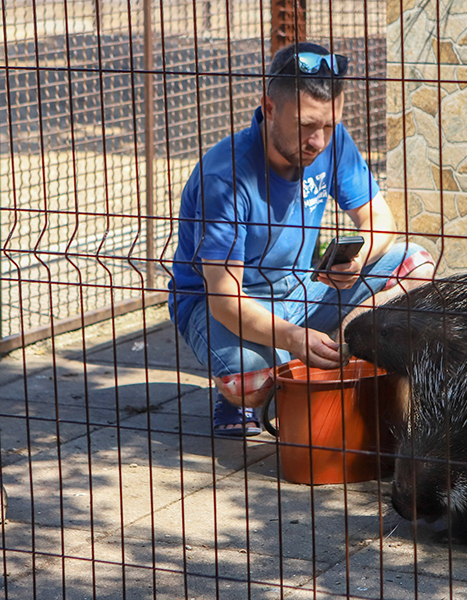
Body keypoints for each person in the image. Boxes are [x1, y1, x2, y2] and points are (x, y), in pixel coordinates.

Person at [167, 42, 435, 437]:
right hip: (221, 304)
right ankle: (260, 376)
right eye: (307, 126)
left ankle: (336, 349)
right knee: (253, 382)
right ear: (269, 108)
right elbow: (225, 298)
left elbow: (379, 219)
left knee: (416, 263)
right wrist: (292, 337)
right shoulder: (224, 179)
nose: (319, 142)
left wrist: (358, 260)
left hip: (300, 287)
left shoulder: (333, 140)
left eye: (329, 126)